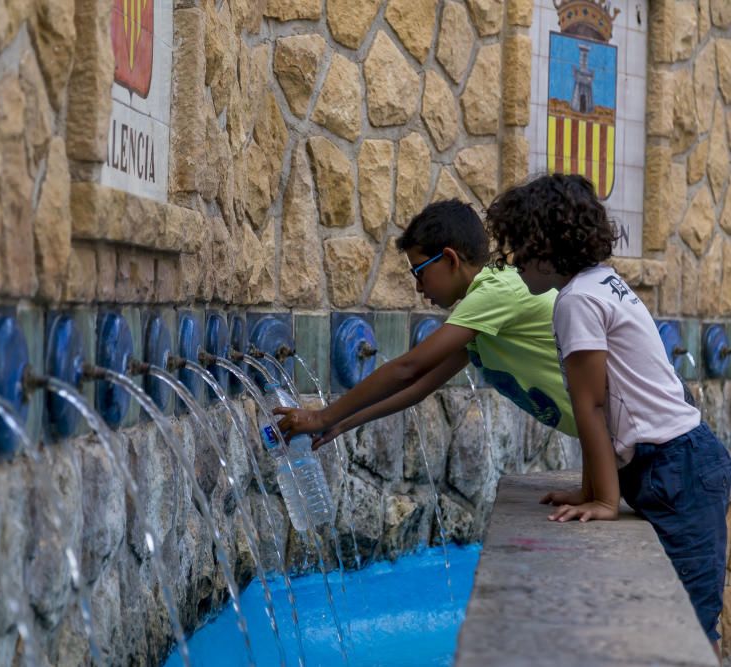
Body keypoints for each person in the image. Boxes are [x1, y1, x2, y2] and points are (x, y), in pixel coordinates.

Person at [485, 173, 731, 653]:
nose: (510, 263)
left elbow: (591, 407)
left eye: (515, 249)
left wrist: (603, 502)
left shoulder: (576, 301)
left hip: (678, 466)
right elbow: (603, 407)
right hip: (678, 461)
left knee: (688, 619)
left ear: (544, 248)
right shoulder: (601, 283)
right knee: (675, 612)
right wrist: (589, 489)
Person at [274, 199, 579, 453]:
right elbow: (419, 388)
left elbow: (409, 369)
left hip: (623, 442)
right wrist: (340, 422)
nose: (419, 287)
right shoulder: (485, 307)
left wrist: (320, 416)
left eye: (418, 272)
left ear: (449, 259)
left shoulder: (496, 293)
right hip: (610, 442)